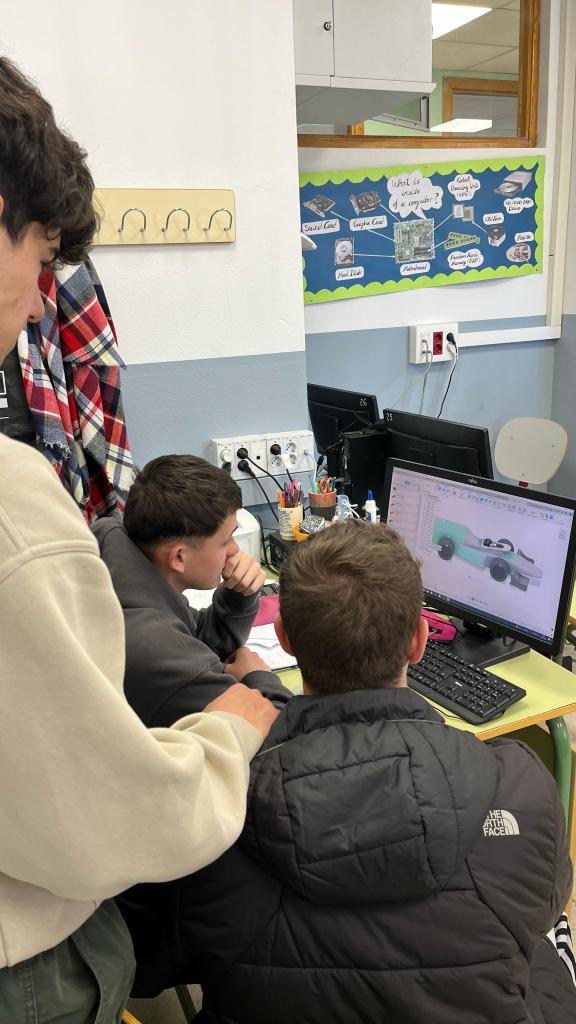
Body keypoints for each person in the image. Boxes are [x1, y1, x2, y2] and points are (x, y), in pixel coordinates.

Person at [0, 55, 278, 1023]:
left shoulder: (124, 556)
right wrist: (235, 726)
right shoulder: (18, 510)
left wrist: (234, 608)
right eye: (40, 260)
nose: (41, 303)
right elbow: (110, 810)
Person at [119, 520, 576, 1023]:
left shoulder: (216, 805)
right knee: (546, 941)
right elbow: (544, 900)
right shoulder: (522, 786)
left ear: (284, 637)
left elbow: (141, 965)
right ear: (419, 641)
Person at [93, 454, 292, 726]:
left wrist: (238, 597)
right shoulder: (157, 647)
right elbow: (280, 731)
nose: (235, 550)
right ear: (178, 557)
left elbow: (196, 637)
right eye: (226, 540)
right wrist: (257, 677)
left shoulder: (125, 570)